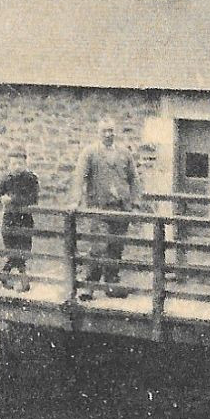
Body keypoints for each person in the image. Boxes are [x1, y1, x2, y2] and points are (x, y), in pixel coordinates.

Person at [71, 118, 139, 300]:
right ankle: (89, 286)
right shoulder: (90, 153)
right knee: (99, 246)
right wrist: (75, 200)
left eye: (111, 131)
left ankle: (111, 284)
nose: (108, 134)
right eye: (104, 131)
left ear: (115, 132)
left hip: (120, 209)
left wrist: (135, 203)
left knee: (116, 247)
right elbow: (80, 177)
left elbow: (134, 179)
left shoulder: (125, 153)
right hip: (99, 208)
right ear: (98, 133)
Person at [0, 149, 39, 292]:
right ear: (9, 165)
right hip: (9, 220)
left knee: (23, 250)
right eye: (13, 163)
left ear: (25, 163)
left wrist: (13, 199)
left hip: (25, 220)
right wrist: (2, 199)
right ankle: (23, 281)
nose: (17, 166)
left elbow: (33, 199)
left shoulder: (31, 179)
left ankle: (5, 275)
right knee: (12, 250)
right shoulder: (6, 179)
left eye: (20, 163)